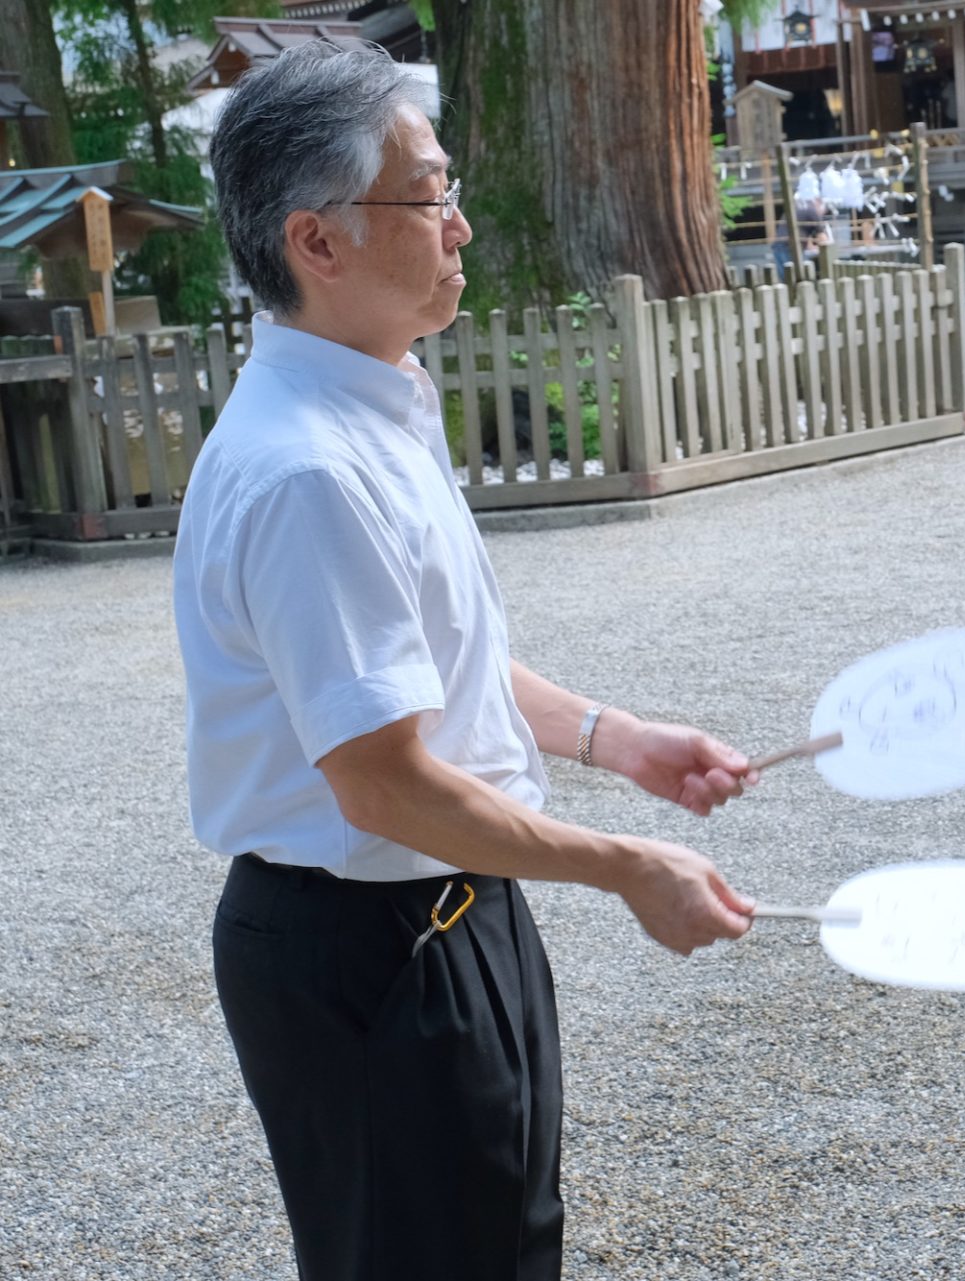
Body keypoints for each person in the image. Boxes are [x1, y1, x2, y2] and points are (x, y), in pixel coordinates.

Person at [174, 42, 759, 1281]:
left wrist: (617, 739)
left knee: (498, 1243)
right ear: (316, 243)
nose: (463, 224)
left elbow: (426, 671)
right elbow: (382, 783)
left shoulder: (373, 396)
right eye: (431, 193)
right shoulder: (308, 470)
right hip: (370, 941)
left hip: (446, 908)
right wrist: (627, 867)